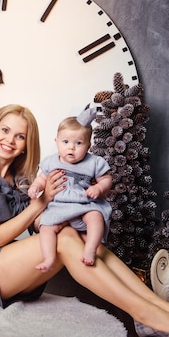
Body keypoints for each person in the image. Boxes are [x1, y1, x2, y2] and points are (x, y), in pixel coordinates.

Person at [0, 104, 169, 337]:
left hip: (6, 266)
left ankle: (163, 308)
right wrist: (41, 205)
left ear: (27, 144)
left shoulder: (24, 178)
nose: (10, 140)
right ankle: (145, 315)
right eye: (5, 130)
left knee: (70, 234)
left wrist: (89, 201)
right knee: (64, 239)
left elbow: (42, 223)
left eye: (20, 136)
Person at [27, 108, 112, 272]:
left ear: (88, 145)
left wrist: (98, 187)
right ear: (56, 141)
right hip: (58, 206)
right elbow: (42, 178)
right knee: (46, 226)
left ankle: (90, 249)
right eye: (65, 142)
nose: (71, 147)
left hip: (84, 203)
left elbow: (107, 179)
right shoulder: (50, 162)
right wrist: (35, 187)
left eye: (78, 143)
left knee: (96, 217)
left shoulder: (94, 162)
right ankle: (49, 257)